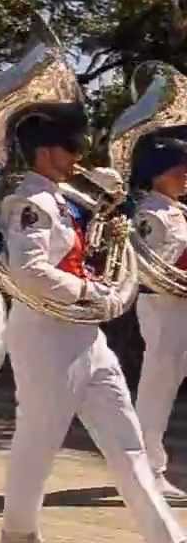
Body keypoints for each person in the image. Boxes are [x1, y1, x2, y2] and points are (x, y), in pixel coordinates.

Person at [0, 108, 184, 543]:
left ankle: (165, 536)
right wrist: (87, 290)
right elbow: (27, 269)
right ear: (46, 153)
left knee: (128, 443)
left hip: (84, 335)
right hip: (44, 334)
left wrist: (111, 221)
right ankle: (18, 532)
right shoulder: (31, 204)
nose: (79, 156)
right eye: (72, 148)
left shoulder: (65, 201)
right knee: (38, 441)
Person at [131, 136, 187, 500]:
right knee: (157, 392)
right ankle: (147, 470)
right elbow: (155, 268)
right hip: (163, 309)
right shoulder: (150, 214)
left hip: (179, 308)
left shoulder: (175, 210)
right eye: (180, 168)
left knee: (162, 389)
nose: (186, 175)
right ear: (158, 173)